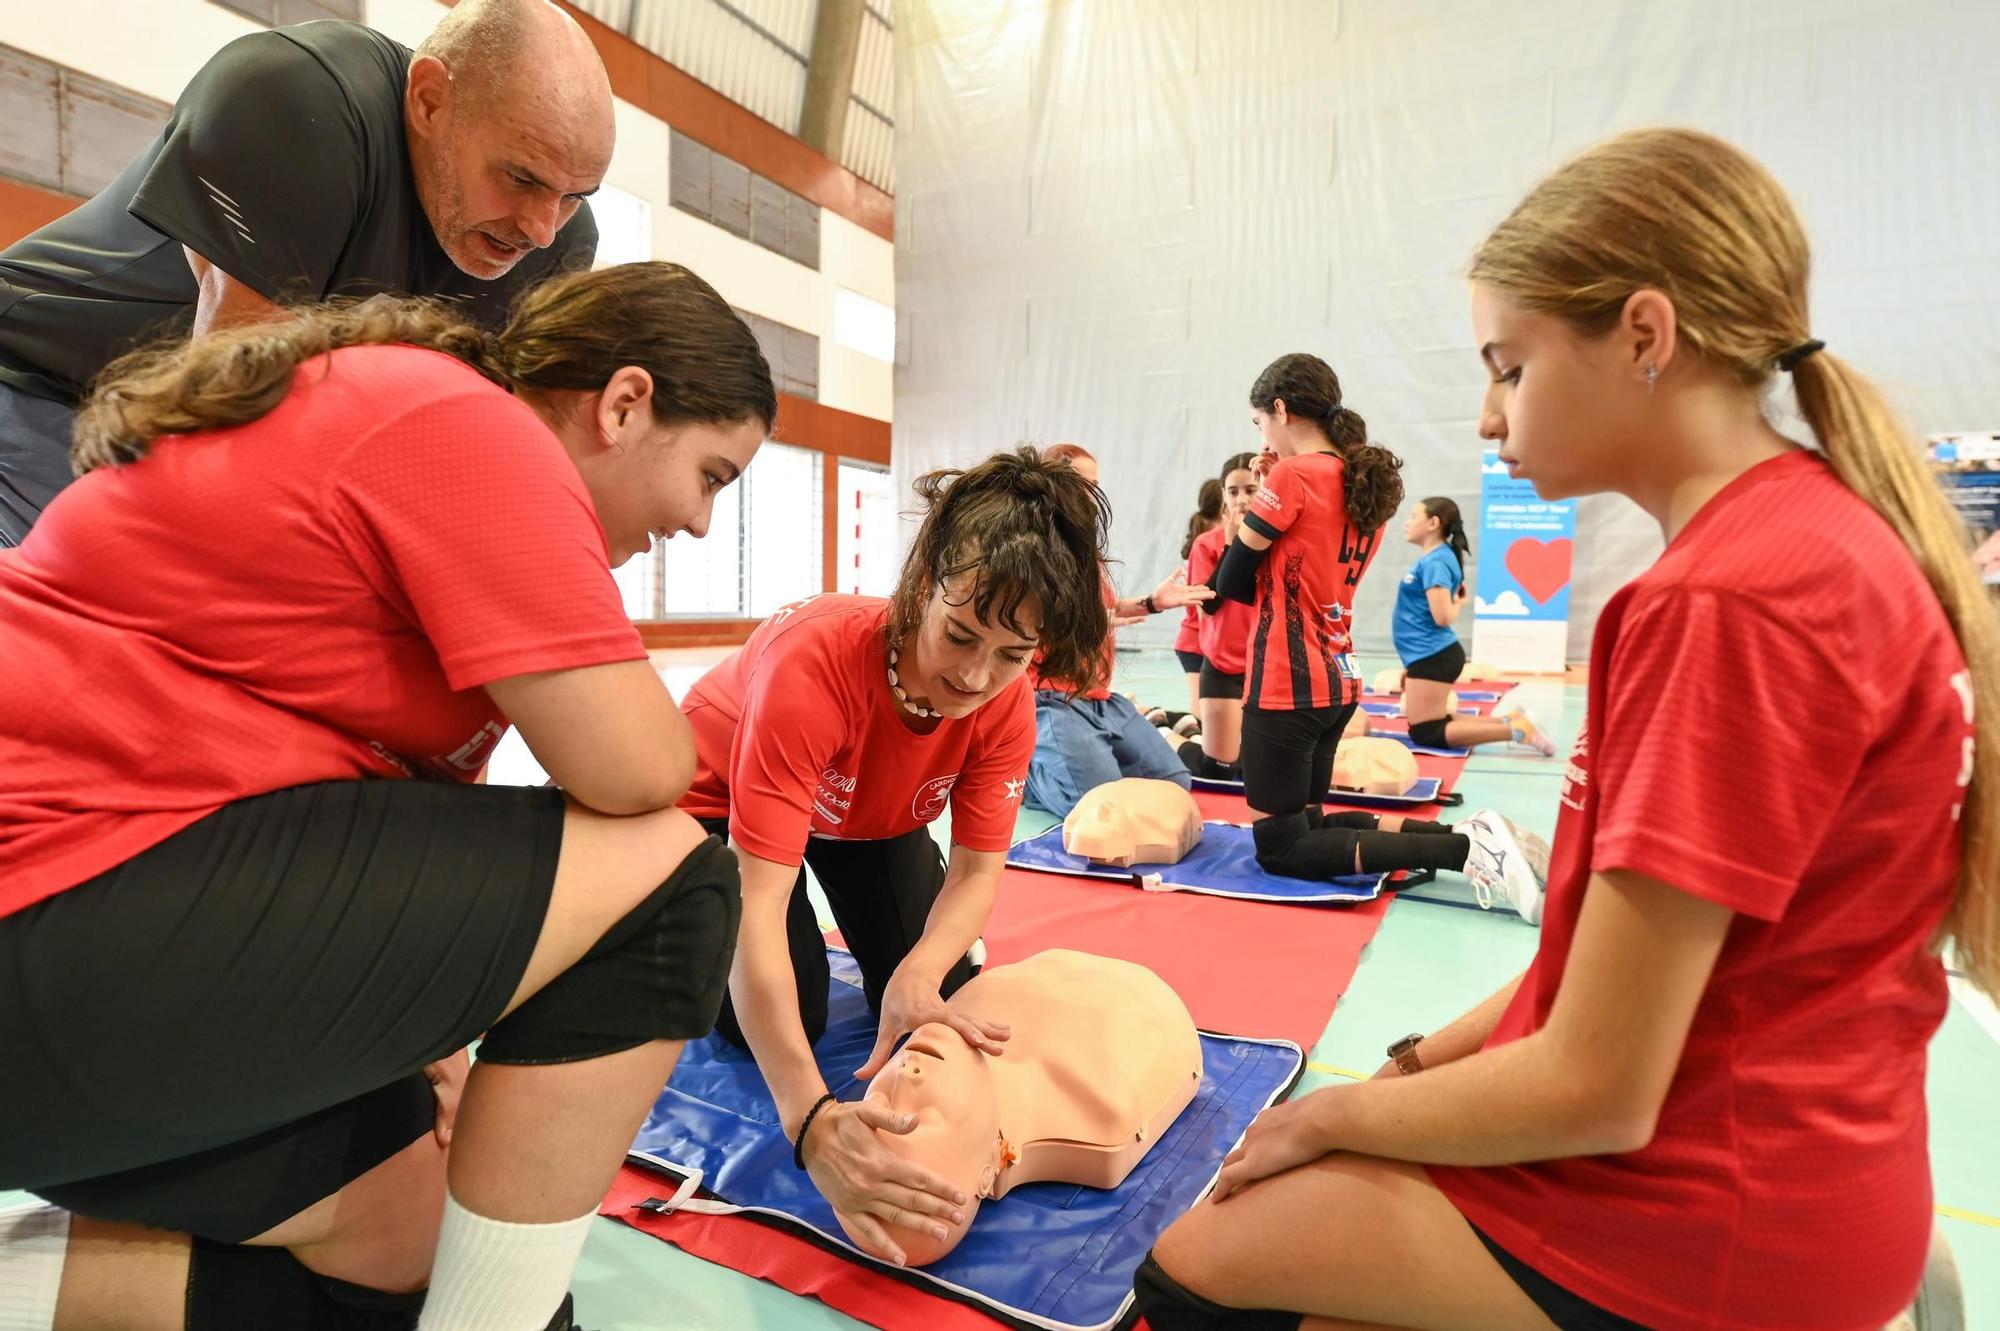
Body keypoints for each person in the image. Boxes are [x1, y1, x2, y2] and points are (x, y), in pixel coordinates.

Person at [1133, 128, 1997, 1331]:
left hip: (1720, 1210)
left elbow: (1599, 1082)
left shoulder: (1720, 597)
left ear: (1643, 335)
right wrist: (1414, 1062)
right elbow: (1599, 974)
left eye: (1507, 366)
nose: (1486, 416)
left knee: (1193, 1263)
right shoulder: (1811, 535)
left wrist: (1323, 1112)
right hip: (1829, 1164)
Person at [0, 261, 775, 1331]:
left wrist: (433, 1043)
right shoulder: (466, 424)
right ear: (624, 402)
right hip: (49, 908)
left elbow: (390, 833)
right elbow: (643, 771)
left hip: (99, 938)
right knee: (673, 879)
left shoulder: (416, 449)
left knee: (406, 1236)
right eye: (712, 474)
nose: (697, 521)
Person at [673, 446, 1112, 1268]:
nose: (976, 675)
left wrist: (917, 971)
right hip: (714, 802)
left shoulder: (1002, 703)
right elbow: (758, 899)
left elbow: (981, 870)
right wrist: (806, 1117)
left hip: (861, 814)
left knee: (939, 989)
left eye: (1012, 656)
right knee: (778, 1019)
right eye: (960, 634)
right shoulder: (815, 665)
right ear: (921, 587)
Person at [0, 0, 613, 546]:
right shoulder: (295, 93)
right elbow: (231, 417)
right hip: (40, 387)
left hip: (176, 441)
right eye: (521, 178)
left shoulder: (559, 241)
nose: (542, 228)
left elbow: (477, 452)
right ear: (429, 101)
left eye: (574, 195)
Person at [1206, 353, 1545, 905]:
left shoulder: (1292, 477)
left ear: (1281, 410)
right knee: (1307, 824)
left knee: (1281, 848)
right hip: (1337, 681)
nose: (1261, 435)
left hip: (1285, 682)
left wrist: (1258, 502)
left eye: (1259, 421)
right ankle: (1471, 836)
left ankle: (1463, 854)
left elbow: (1232, 584)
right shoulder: (1361, 482)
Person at [1022, 443, 1214, 817]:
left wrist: (1153, 602)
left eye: (1095, 485)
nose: (1091, 496)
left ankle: (1089, 759)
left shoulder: (1083, 548)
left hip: (1099, 697)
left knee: (1175, 783)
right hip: (1050, 699)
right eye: (1080, 484)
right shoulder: (1032, 548)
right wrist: (1093, 621)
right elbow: (1036, 619)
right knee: (1095, 805)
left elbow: (1104, 610)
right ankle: (1032, 776)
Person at [1392, 496, 1556, 755]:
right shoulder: (1437, 558)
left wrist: (1457, 605)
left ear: (1433, 523)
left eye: (1414, 516)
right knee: (1435, 722)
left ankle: (1518, 731)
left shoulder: (1435, 561)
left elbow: (1442, 616)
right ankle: (1510, 720)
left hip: (1432, 655)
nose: (1407, 522)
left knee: (1426, 731)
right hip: (1427, 655)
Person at [1179, 452, 1260, 778]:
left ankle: (1188, 723)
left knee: (1259, 771)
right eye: (1233, 491)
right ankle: (1167, 735)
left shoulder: (1280, 543)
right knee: (1222, 769)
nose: (1241, 499)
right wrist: (1231, 547)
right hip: (1223, 664)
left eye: (1250, 490)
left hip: (1266, 668)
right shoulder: (1206, 544)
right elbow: (1209, 604)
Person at [1174, 476, 1226, 712]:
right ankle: (1155, 718)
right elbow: (1207, 601)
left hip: (1206, 637)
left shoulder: (1203, 537)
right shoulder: (1209, 542)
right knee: (1202, 716)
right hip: (1198, 638)